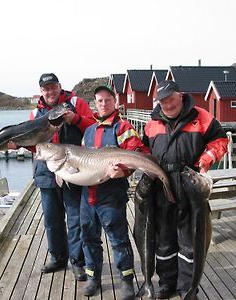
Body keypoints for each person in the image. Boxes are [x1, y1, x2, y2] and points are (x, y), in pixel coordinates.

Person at [142, 80, 228, 299]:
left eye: (170, 99)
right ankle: (166, 284)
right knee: (164, 241)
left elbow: (220, 141)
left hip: (190, 184)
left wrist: (205, 161)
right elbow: (143, 150)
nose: (167, 105)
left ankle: (188, 287)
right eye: (162, 101)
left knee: (191, 242)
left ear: (180, 95)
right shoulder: (151, 123)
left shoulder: (202, 116)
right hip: (162, 187)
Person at [80, 86, 149, 300]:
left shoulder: (123, 127)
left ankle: (126, 279)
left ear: (115, 102)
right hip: (87, 196)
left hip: (111, 195)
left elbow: (138, 154)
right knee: (89, 238)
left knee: (118, 239)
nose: (103, 104)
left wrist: (123, 171)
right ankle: (93, 277)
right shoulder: (89, 131)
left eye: (107, 100)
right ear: (94, 104)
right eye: (99, 101)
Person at [30, 73, 94, 280]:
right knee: (52, 219)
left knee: (75, 218)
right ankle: (58, 258)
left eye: (53, 87)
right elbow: (32, 144)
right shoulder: (35, 113)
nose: (50, 91)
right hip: (46, 170)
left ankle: (77, 261)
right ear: (41, 91)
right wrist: (17, 144)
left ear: (59, 86)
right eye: (45, 88)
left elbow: (92, 127)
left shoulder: (76, 103)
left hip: (73, 167)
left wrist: (74, 119)